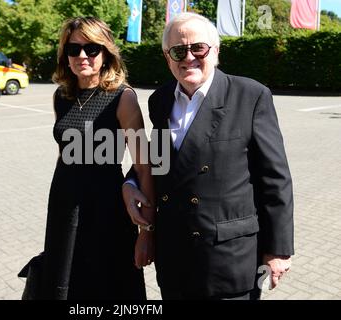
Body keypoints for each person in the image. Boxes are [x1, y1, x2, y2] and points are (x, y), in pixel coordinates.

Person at [123, 12, 294, 300]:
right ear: (168, 57)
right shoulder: (160, 100)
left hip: (228, 259)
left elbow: (275, 178)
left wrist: (278, 250)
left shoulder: (250, 95)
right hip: (175, 256)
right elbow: (160, 158)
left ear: (215, 51)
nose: (188, 57)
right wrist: (131, 183)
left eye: (197, 48)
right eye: (178, 50)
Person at [39, 17, 155, 300]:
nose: (82, 56)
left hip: (106, 208)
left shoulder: (123, 98)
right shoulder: (61, 96)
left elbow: (144, 164)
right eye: (73, 49)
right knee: (66, 280)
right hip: (64, 204)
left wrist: (147, 229)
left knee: (108, 284)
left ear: (106, 54)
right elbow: (64, 154)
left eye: (91, 49)